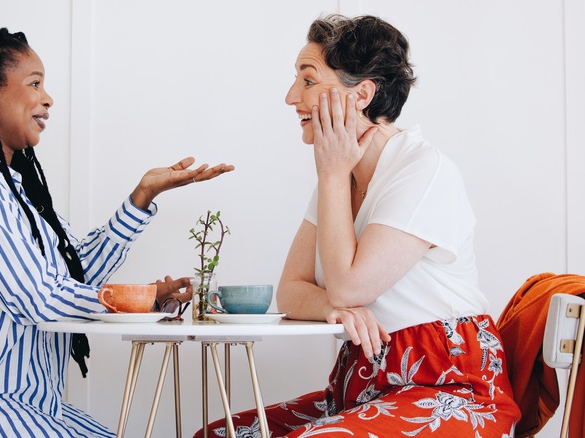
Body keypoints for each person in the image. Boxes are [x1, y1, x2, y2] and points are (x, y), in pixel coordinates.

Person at [0, 28, 233, 437]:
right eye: (35, 83)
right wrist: (143, 298)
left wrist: (141, 197)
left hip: (18, 404)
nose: (47, 98)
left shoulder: (8, 187)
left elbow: (71, 276)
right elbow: (39, 298)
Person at [199, 14, 520, 437]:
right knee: (220, 435)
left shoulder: (423, 170)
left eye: (309, 80)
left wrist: (331, 175)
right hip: (364, 390)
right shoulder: (340, 176)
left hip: (452, 390)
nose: (291, 96)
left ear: (362, 94)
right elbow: (291, 290)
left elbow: (351, 286)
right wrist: (331, 307)